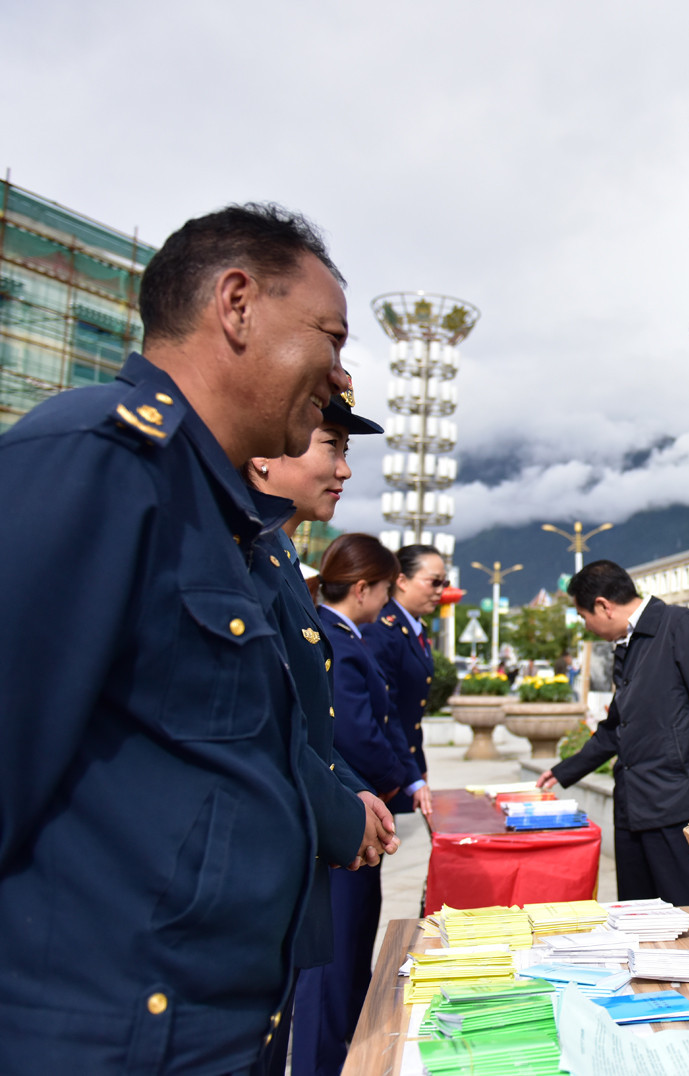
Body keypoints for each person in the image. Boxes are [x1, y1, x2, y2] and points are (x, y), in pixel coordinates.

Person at [0, 203, 350, 1071]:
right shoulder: (96, 461)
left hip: (212, 1028)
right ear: (236, 303)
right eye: (330, 339)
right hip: (106, 1037)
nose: (340, 378)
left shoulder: (224, 520)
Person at [246, 386, 401, 1076]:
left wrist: (349, 791)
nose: (344, 469)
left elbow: (304, 724)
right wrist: (346, 802)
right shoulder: (238, 545)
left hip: (284, 869)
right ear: (263, 455)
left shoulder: (272, 550)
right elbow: (256, 724)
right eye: (330, 444)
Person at [294, 534, 431, 1076]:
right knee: (331, 964)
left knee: (351, 955)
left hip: (356, 806)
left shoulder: (348, 635)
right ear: (363, 588)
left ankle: (345, 1056)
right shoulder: (337, 638)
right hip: (342, 814)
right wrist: (398, 784)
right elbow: (354, 733)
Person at [537, 560, 689, 905]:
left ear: (603, 606)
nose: (587, 626)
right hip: (633, 804)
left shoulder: (679, 626)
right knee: (636, 915)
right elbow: (617, 726)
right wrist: (563, 771)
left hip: (677, 803)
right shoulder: (628, 646)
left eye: (585, 617)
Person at [365, 544, 446, 814]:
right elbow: (387, 710)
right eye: (434, 582)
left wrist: (418, 767)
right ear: (401, 581)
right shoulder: (382, 629)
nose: (440, 590)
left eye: (444, 583)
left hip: (402, 763)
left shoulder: (414, 628)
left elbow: (412, 714)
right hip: (377, 770)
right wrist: (410, 772)